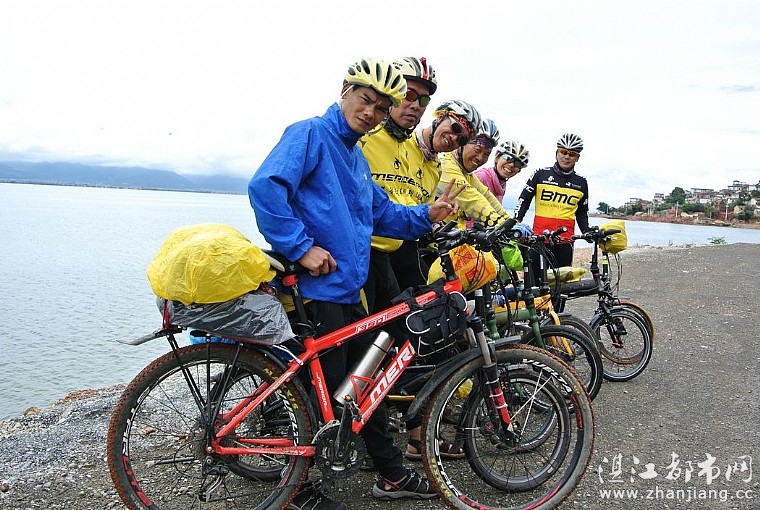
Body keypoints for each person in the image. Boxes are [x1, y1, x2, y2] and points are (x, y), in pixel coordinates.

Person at [249, 57, 464, 510]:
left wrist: (428, 215)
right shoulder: (311, 134)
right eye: (366, 100)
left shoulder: (354, 157)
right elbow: (266, 188)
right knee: (322, 395)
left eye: (381, 109)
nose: (371, 113)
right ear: (345, 91)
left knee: (364, 384)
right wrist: (301, 247)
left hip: (348, 290)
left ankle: (391, 473)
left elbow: (383, 214)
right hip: (316, 292)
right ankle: (298, 491)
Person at [360, 58, 480, 462]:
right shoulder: (369, 136)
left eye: (421, 100)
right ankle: (372, 445)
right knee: (364, 351)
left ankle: (411, 438)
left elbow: (411, 210)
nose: (413, 104)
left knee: (408, 342)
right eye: (407, 95)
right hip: (360, 255)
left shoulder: (427, 164)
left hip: (395, 254)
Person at [513, 133, 590, 273]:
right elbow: (524, 199)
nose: (567, 156)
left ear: (577, 158)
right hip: (538, 239)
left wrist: (586, 232)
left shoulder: (581, 182)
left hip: (565, 241)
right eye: (563, 152)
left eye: (572, 154)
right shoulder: (540, 174)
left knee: (562, 283)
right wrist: (515, 222)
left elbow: (582, 212)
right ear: (557, 153)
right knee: (535, 282)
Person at [436, 118, 512, 230]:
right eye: (477, 150)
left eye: (486, 154)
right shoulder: (446, 165)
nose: (480, 158)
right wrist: (502, 224)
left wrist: (511, 222)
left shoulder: (467, 174)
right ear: (463, 144)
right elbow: (473, 200)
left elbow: (486, 196)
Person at [474, 139, 530, 205]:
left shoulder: (501, 184)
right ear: (497, 158)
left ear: (519, 171)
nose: (511, 165)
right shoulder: (481, 177)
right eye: (508, 158)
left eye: (518, 164)